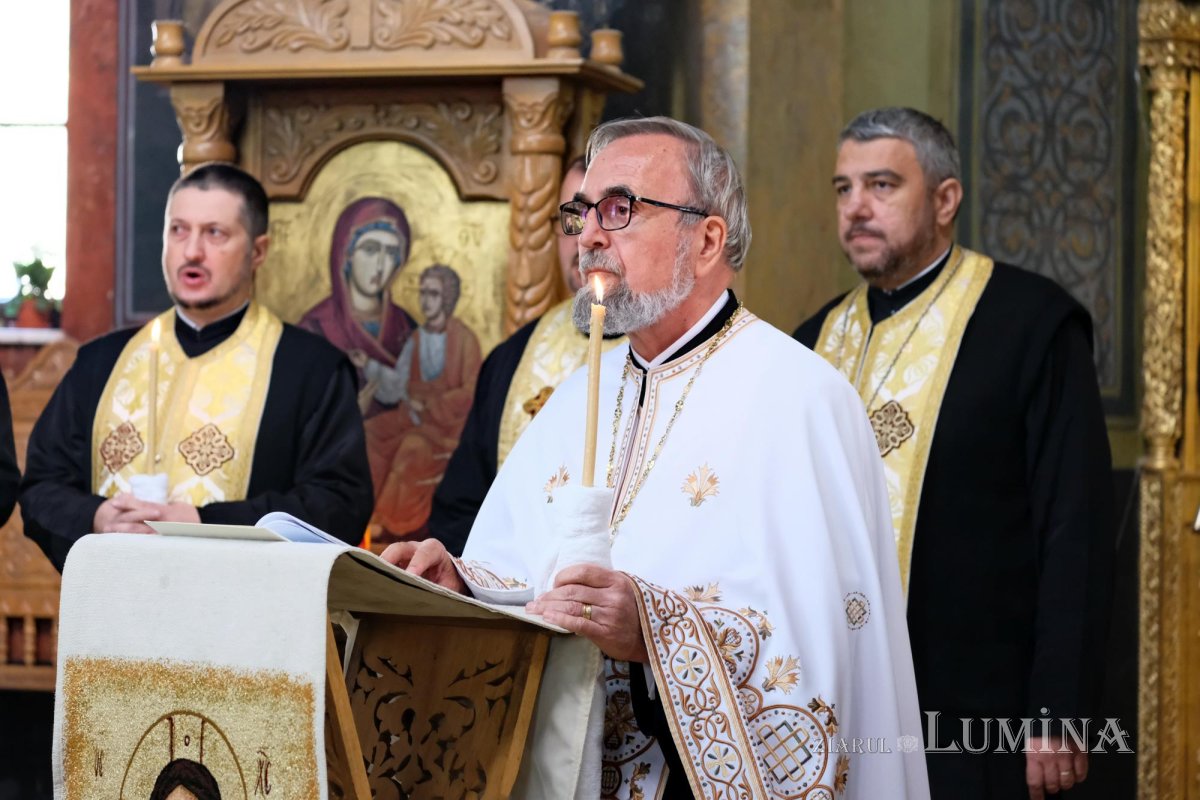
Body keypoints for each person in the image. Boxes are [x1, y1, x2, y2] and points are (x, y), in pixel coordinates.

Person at [383, 117, 928, 798]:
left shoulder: (800, 398)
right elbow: (529, 572)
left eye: (620, 209)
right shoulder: (578, 391)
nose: (588, 238)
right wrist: (460, 582)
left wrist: (654, 634)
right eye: (581, 213)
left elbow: (817, 652)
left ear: (705, 240)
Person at [794, 107, 1114, 800]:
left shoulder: (1031, 324)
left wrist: (1058, 710)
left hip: (975, 716)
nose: (857, 208)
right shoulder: (812, 341)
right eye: (843, 189)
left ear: (945, 199)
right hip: (830, 705)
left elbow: (1075, 529)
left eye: (881, 185)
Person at [21, 162, 374, 570]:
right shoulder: (101, 362)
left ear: (258, 251)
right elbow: (42, 486)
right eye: (179, 230)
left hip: (242, 619)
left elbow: (339, 504)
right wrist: (98, 517)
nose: (192, 251)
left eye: (215, 233)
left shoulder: (311, 371)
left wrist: (204, 522)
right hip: (110, 611)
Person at [429, 158, 625, 554]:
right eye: (574, 214)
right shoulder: (511, 360)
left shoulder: (674, 361)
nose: (586, 237)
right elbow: (461, 513)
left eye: (612, 214)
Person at [364, 263, 482, 542]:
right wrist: (368, 365)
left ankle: (394, 525)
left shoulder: (464, 339)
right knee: (371, 432)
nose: (425, 300)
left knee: (412, 447)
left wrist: (430, 406)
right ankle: (366, 515)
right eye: (423, 293)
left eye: (433, 294)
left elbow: (472, 391)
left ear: (448, 298)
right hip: (412, 418)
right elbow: (397, 384)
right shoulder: (417, 338)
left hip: (449, 429)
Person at [298, 196, 417, 415]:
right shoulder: (315, 327)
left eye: (391, 253)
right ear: (346, 254)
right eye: (370, 249)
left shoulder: (407, 326)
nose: (380, 265)